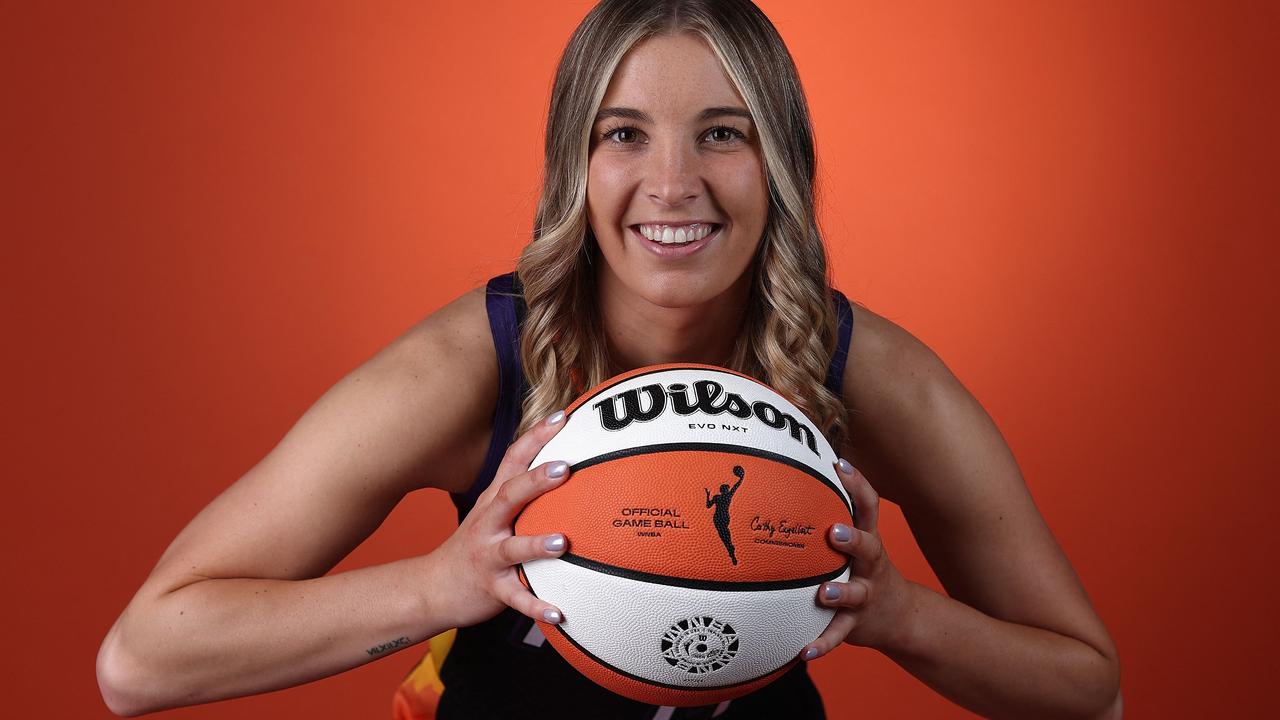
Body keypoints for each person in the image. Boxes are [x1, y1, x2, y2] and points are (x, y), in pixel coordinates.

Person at [96, 1, 1123, 718]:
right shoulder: (472, 362)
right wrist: (443, 585)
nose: (671, 183)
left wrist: (900, 617)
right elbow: (142, 660)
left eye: (721, 133)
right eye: (622, 134)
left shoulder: (865, 371)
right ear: (572, 168)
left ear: (781, 163)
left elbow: (1088, 688)